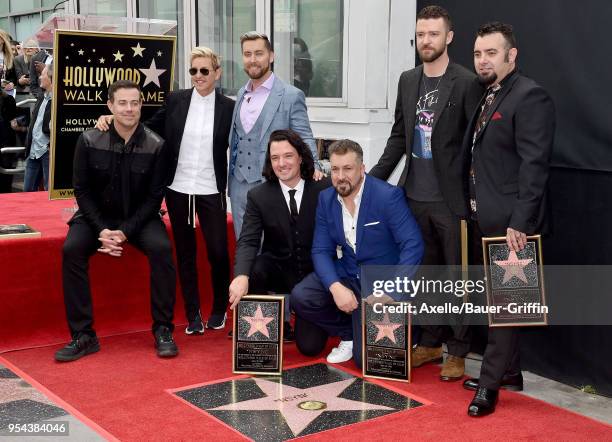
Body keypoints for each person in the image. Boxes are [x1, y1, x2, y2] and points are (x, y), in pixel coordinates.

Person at [369, 5, 483, 381]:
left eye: (434, 34)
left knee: (456, 277)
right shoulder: (407, 79)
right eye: (421, 34)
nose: (426, 41)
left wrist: (473, 196)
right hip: (412, 199)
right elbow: (400, 136)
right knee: (422, 275)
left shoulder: (466, 82)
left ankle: (458, 350)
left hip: (451, 203)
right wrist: (372, 181)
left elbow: (475, 145)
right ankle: (431, 342)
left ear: (449, 37)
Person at [97, 47, 234, 334]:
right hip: (178, 187)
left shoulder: (229, 108)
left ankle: (219, 307)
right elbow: (145, 127)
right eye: (193, 71)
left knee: (218, 252)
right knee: (184, 252)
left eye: (204, 71)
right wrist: (112, 120)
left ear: (217, 73)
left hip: (211, 189)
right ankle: (193, 312)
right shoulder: (176, 100)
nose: (198, 76)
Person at [462, 22, 555, 417]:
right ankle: (509, 373)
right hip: (488, 220)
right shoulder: (490, 95)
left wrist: (521, 221)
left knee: (507, 307)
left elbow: (535, 167)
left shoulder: (530, 96)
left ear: (511, 55)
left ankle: (488, 386)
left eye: (491, 53)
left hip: (514, 224)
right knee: (500, 304)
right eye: (478, 53)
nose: (483, 60)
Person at [55, 80, 178, 362]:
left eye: (134, 103)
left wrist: (123, 232)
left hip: (140, 217)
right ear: (110, 105)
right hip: (95, 217)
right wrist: (103, 230)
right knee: (71, 249)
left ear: (141, 106)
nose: (129, 108)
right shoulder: (88, 140)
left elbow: (153, 198)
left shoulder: (157, 145)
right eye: (122, 103)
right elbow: (82, 191)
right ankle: (83, 336)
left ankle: (163, 330)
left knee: (161, 249)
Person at [291, 139, 424, 365]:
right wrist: (335, 288)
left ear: (362, 169)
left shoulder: (387, 196)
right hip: (350, 272)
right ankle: (349, 333)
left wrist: (393, 289)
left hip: (381, 280)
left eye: (348, 168)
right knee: (301, 296)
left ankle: (410, 332)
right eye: (335, 169)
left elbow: (413, 244)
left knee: (366, 361)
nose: (340, 176)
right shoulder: (326, 199)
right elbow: (321, 250)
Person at [228, 129, 329, 340]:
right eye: (275, 158)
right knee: (254, 268)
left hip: (314, 274)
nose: (281, 163)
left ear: (301, 157)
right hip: (279, 269)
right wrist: (241, 275)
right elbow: (248, 240)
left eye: (288, 156)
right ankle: (269, 328)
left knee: (309, 346)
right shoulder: (258, 196)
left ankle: (309, 314)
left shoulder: (323, 189)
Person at [228, 31, 322, 238]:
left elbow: (304, 135)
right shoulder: (241, 94)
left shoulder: (291, 95)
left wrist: (314, 165)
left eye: (259, 53)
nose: (253, 60)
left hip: (271, 184)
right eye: (247, 54)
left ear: (271, 56)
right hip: (238, 187)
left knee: (272, 250)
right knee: (245, 247)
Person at [23, 62, 53, 192]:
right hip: (33, 150)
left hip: (47, 152)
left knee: (48, 193)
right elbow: (36, 119)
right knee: (26, 194)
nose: (40, 77)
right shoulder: (42, 96)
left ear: (51, 78)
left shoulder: (58, 101)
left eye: (43, 74)